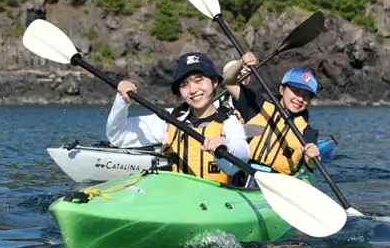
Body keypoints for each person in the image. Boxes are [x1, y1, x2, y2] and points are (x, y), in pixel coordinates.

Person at [106, 52, 250, 184]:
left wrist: (225, 148)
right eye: (184, 85)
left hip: (218, 203)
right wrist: (122, 101)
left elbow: (239, 159)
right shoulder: (168, 119)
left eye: (199, 81)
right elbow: (119, 137)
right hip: (176, 200)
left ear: (214, 82)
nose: (193, 90)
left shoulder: (228, 121)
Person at [221, 52, 321, 176]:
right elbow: (227, 82)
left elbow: (310, 163)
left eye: (306, 96)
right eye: (296, 91)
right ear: (281, 90)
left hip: (277, 182)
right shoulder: (257, 105)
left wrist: (312, 157)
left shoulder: (308, 131)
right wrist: (241, 63)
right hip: (243, 173)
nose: (300, 98)